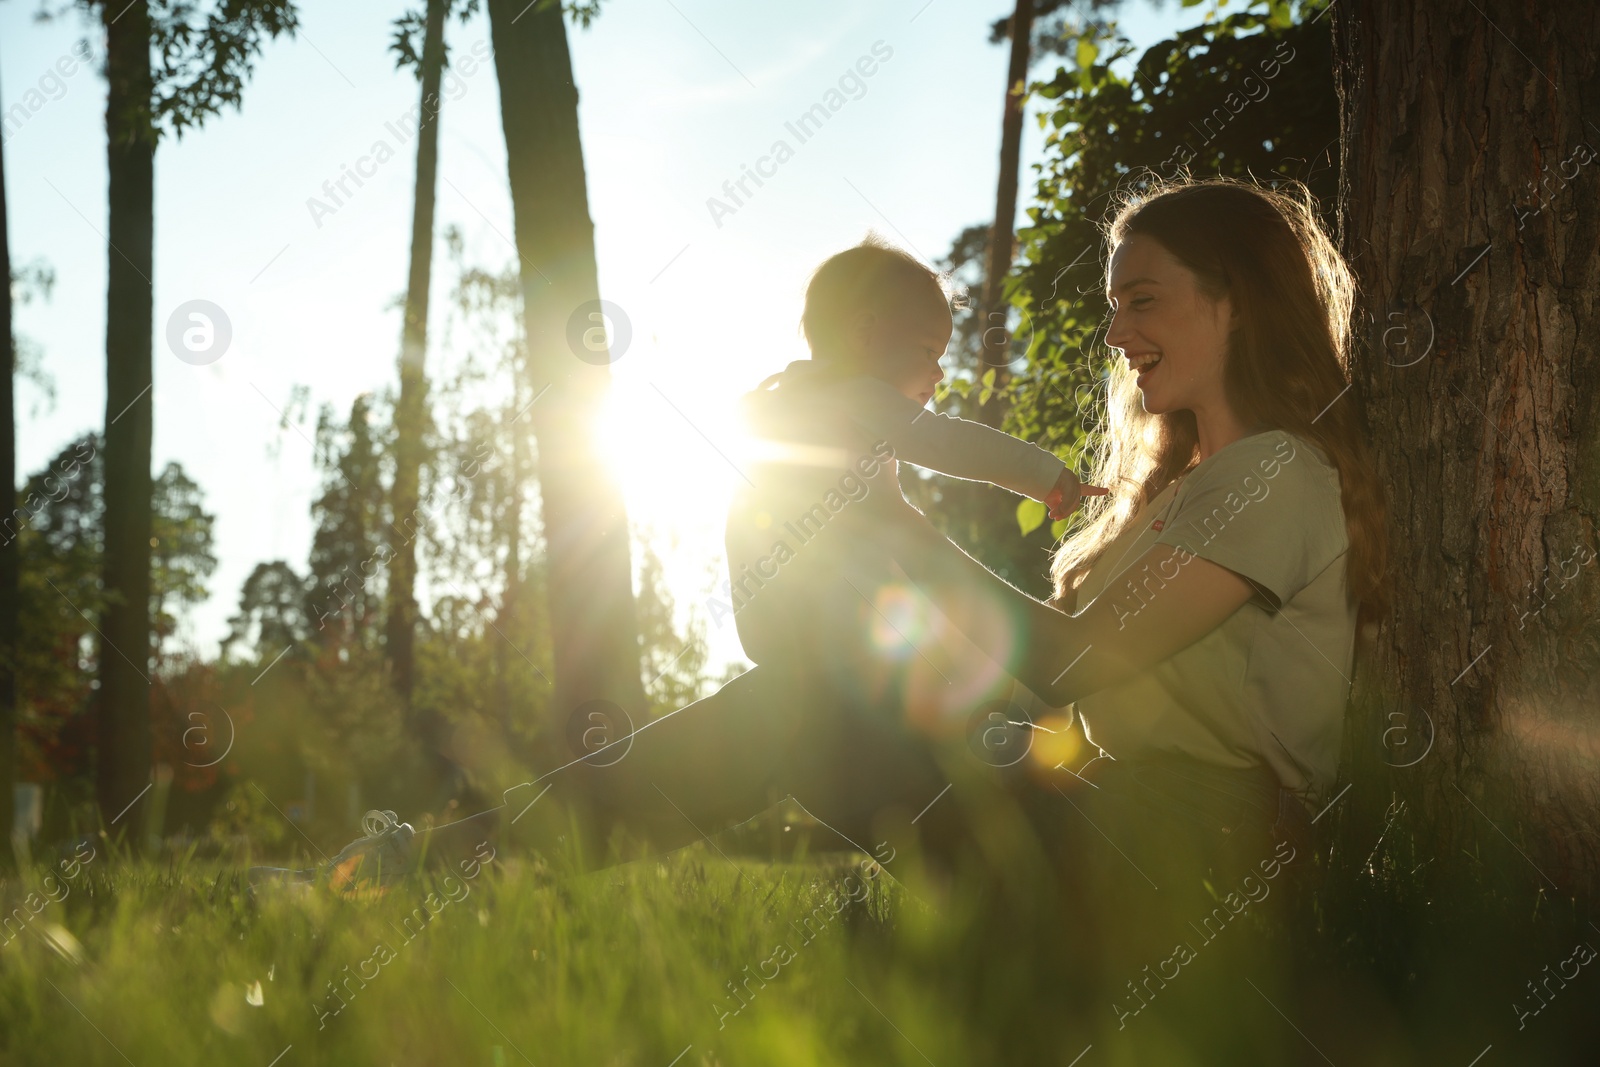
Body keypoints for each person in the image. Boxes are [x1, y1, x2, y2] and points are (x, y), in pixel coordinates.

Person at [255, 179, 1388, 981]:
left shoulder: (1275, 475)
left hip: (1206, 854)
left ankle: (446, 867)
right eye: (1113, 299)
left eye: (1141, 295)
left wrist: (888, 535)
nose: (1114, 327)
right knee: (800, 693)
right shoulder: (1183, 495)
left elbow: (1072, 662)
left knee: (799, 702)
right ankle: (457, 865)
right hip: (1110, 815)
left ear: (1232, 294)